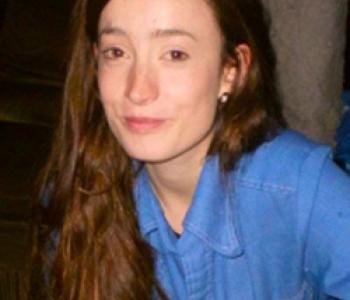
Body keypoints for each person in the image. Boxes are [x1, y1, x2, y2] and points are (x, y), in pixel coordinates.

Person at [36, 0, 350, 299]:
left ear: (232, 70)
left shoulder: (300, 190)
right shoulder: (78, 197)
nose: (138, 90)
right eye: (116, 52)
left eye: (174, 54)